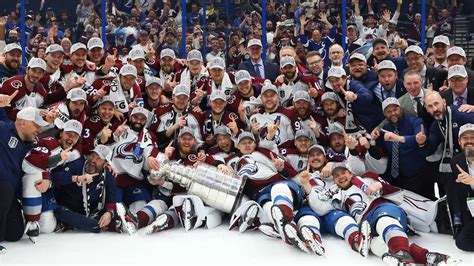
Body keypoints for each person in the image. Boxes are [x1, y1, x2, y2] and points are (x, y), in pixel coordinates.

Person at [330, 163, 455, 265]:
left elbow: (398, 195)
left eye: (343, 173)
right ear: (334, 180)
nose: (341, 177)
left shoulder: (367, 179)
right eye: (336, 176)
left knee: (384, 220)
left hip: (382, 208)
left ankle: (402, 252)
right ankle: (425, 256)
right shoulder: (337, 197)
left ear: (350, 173)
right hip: (365, 224)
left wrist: (380, 186)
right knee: (376, 245)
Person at [0, 107, 53, 253]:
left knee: (14, 234)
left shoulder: (33, 144)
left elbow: (42, 162)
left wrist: (47, 179)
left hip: (9, 196)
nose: (40, 129)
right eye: (36, 125)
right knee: (4, 188)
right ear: (23, 123)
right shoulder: (3, 128)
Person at [50, 145, 119, 233]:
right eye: (93, 155)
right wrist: (76, 178)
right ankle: (97, 225)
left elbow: (111, 198)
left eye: (98, 159)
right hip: (69, 208)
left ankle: (79, 224)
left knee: (114, 210)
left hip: (92, 212)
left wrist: (109, 213)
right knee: (59, 212)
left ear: (105, 163)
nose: (93, 160)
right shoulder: (78, 164)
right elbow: (55, 178)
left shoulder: (108, 175)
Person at [448, 123, 474, 251]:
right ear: (459, 141)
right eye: (465, 138)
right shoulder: (456, 161)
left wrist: (472, 181)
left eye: (473, 137)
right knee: (462, 242)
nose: (469, 141)